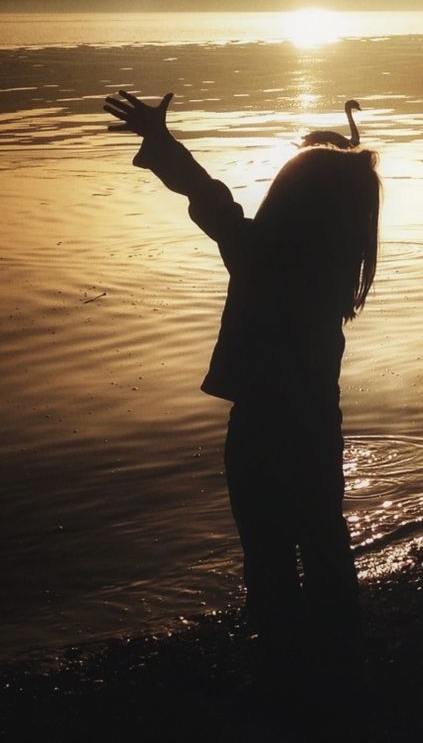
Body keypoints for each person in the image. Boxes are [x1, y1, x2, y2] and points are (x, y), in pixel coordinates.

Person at [102, 89, 380, 687]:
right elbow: (218, 205)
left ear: (288, 203)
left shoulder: (265, 257)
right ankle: (341, 647)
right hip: (314, 417)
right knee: (322, 531)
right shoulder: (335, 262)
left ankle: (283, 657)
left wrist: (163, 143)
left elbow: (212, 201)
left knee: (267, 540)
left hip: (262, 420)